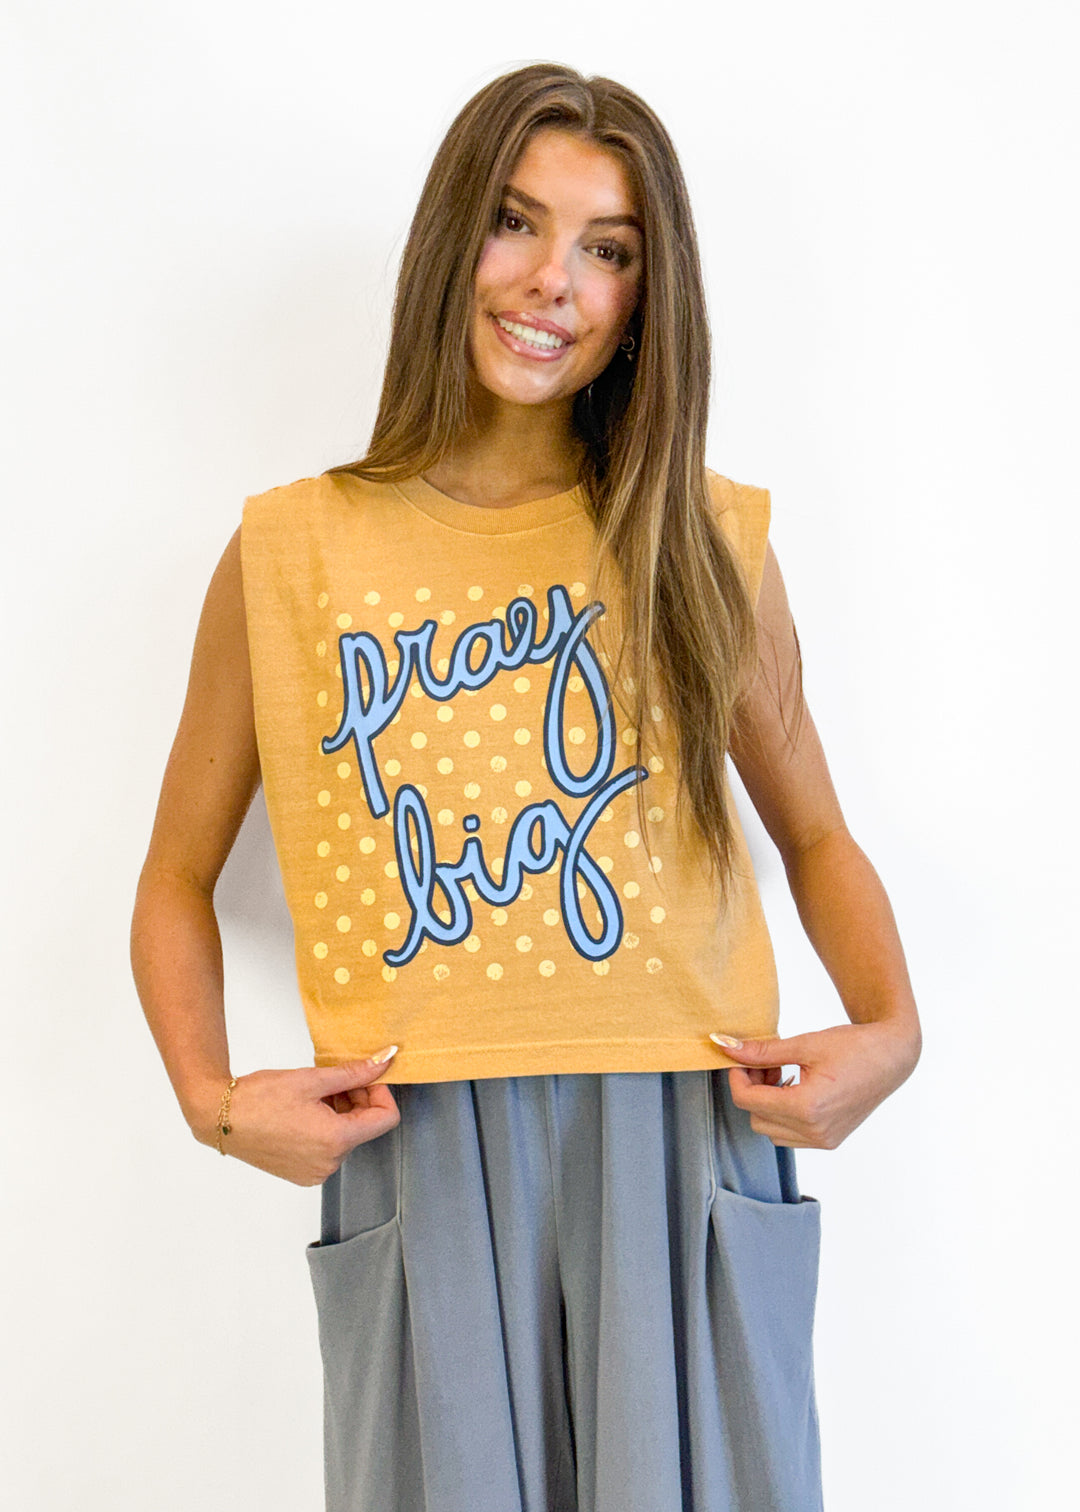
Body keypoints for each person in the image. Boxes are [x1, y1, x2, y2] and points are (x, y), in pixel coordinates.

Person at [130, 62, 922, 1512]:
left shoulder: (701, 540)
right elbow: (175, 876)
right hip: (417, 1144)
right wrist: (211, 1100)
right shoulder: (291, 551)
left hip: (682, 1137)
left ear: (644, 298)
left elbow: (816, 833)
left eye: (607, 247)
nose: (553, 279)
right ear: (455, 237)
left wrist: (893, 1033)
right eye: (516, 221)